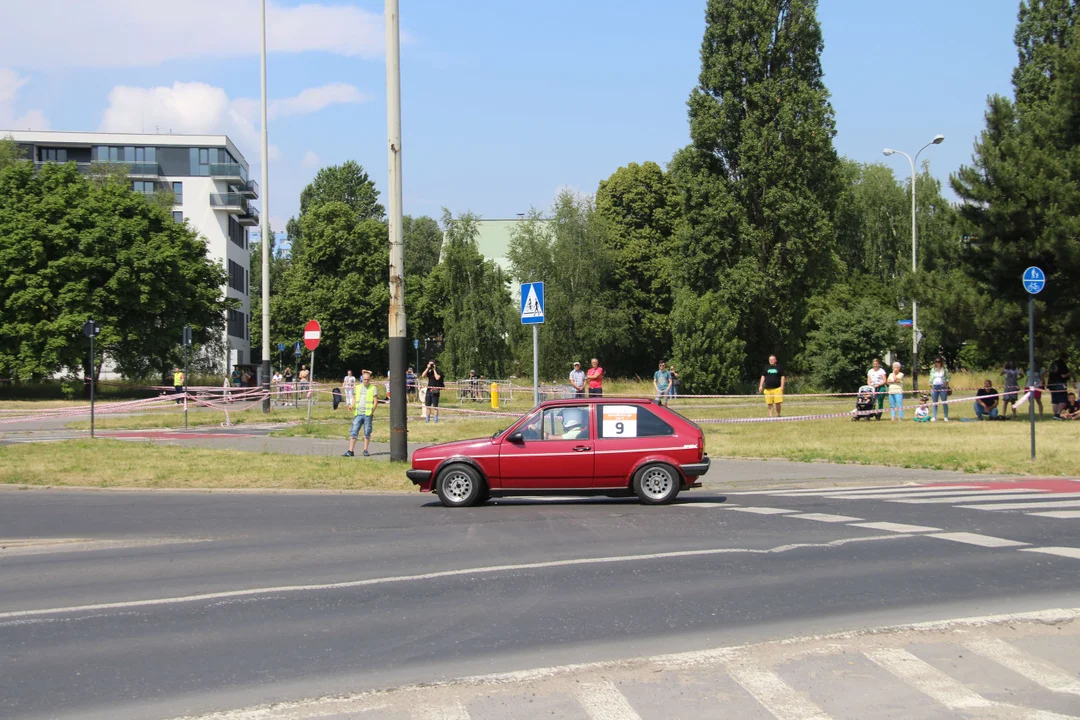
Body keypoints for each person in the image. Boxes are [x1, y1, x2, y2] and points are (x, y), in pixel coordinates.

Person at [343, 370, 381, 457]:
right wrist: (352, 406)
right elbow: (355, 398)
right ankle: (350, 451)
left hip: (367, 414)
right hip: (358, 413)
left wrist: (372, 411)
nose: (366, 381)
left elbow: (375, 401)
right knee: (354, 431)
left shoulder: (373, 388)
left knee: (367, 432)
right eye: (365, 379)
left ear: (370, 379)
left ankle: (365, 450)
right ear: (362, 379)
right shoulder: (358, 387)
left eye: (368, 379)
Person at [926, 356, 950, 422]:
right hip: (935, 387)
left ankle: (946, 416)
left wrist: (945, 383)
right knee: (934, 402)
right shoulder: (933, 369)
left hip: (942, 387)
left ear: (941, 362)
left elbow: (948, 377)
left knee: (944, 402)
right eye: (936, 362)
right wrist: (931, 384)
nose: (937, 363)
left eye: (938, 361)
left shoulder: (944, 369)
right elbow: (931, 378)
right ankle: (934, 416)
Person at [1048, 352, 1071, 417]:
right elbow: (1063, 376)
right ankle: (1057, 415)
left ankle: (1055, 414)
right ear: (1065, 358)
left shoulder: (1053, 363)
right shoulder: (1062, 364)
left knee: (1055, 401)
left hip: (1051, 384)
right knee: (1063, 400)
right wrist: (1068, 374)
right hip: (1060, 384)